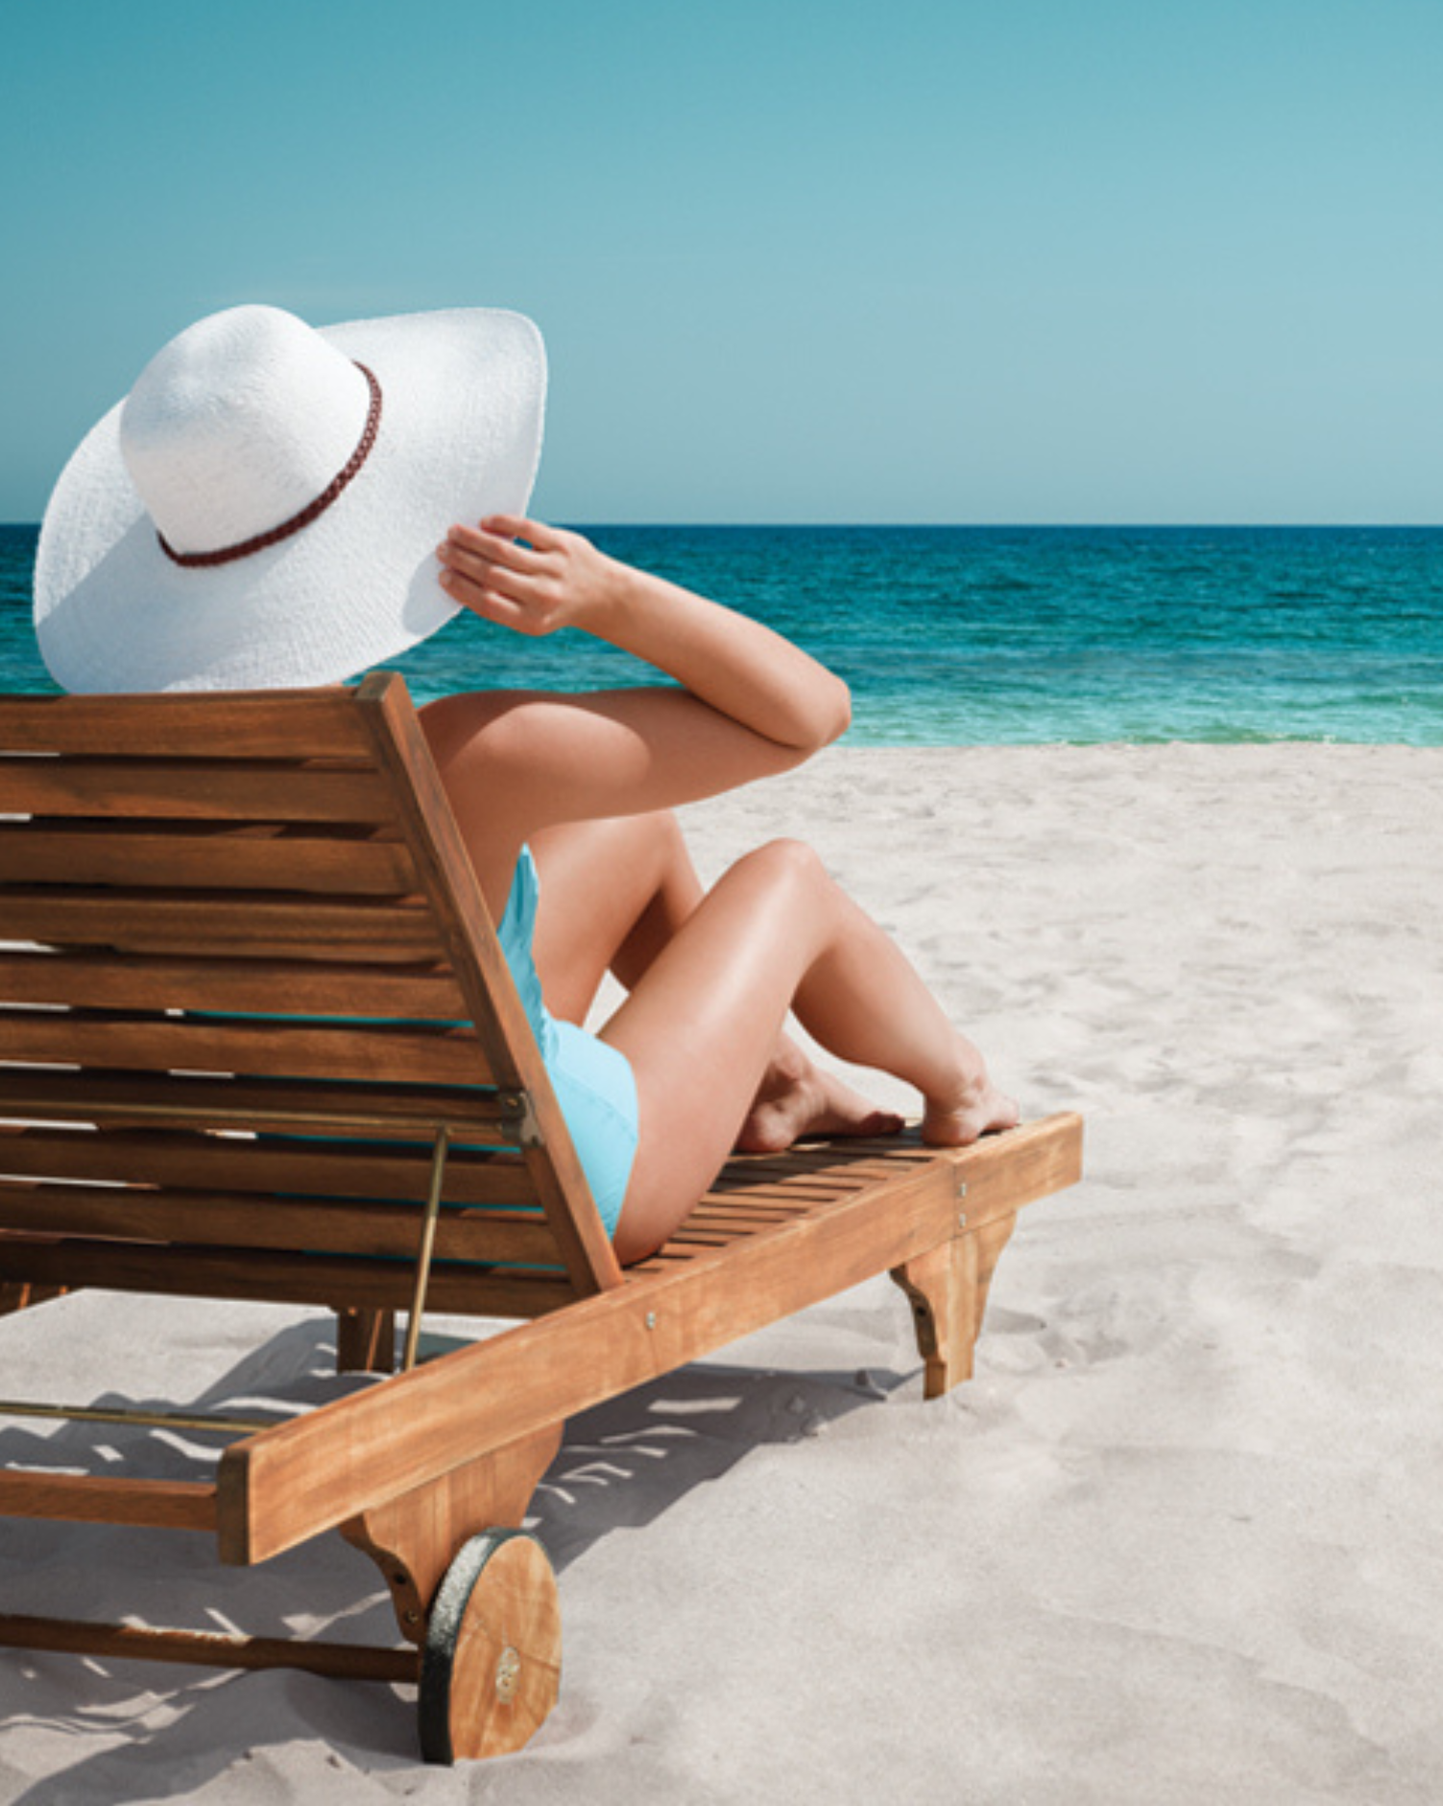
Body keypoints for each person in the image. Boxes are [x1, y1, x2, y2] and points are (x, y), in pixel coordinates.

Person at [33, 303, 1017, 1265]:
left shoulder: (85, 799)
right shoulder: (467, 754)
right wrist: (609, 596)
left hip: (308, 1177)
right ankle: (963, 1084)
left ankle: (784, 1083)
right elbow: (812, 712)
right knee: (788, 877)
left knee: (634, 828)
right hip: (540, 1184)